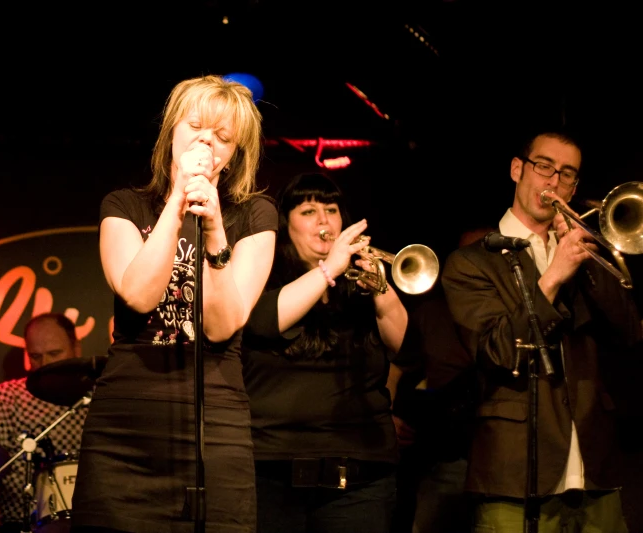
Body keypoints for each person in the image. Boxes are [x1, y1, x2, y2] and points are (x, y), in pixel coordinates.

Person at [69, 75, 277, 533]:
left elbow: (221, 327)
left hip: (213, 428)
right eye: (197, 125)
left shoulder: (254, 216)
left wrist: (217, 231)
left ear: (234, 153)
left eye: (224, 137)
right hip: (124, 427)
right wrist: (178, 201)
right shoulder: (124, 207)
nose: (208, 140)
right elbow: (138, 294)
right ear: (171, 133)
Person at [441, 128, 643, 531]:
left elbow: (629, 333)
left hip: (595, 469)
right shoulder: (472, 262)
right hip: (515, 473)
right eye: (544, 167)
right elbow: (497, 351)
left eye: (567, 174)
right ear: (518, 169)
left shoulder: (585, 254)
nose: (554, 182)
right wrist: (552, 277)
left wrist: (586, 262)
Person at [241, 172, 409, 533]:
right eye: (308, 211)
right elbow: (265, 323)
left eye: (331, 209)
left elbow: (404, 347)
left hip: (361, 479)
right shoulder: (263, 277)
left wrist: (380, 287)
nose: (323, 221)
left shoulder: (360, 288)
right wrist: (330, 268)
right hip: (272, 476)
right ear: (286, 224)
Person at [389, 225, 495, 533]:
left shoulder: (512, 308)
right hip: (446, 452)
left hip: (500, 450)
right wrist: (389, 417)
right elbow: (397, 367)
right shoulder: (431, 309)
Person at [0, 312, 85, 533]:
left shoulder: (94, 400)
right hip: (11, 525)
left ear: (77, 348)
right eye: (36, 356)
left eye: (55, 353)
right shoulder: (7, 397)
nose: (44, 364)